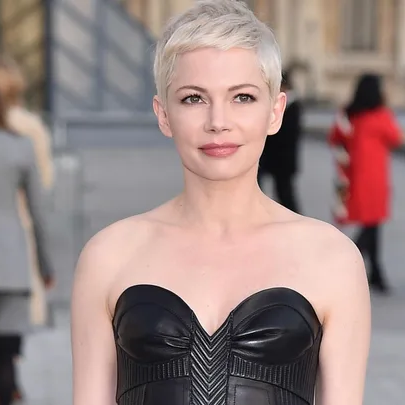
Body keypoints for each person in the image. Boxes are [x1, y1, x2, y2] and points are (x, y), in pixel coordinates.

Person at [71, 1, 371, 405]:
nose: (218, 121)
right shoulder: (109, 256)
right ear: (163, 115)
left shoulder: (332, 259)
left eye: (242, 97)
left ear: (275, 112)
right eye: (193, 98)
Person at [0, 51, 55, 403]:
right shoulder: (21, 144)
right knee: (5, 356)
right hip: (8, 261)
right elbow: (39, 208)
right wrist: (46, 266)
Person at [328, 73, 403, 294]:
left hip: (352, 176)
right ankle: (346, 268)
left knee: (372, 225)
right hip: (375, 178)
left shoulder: (348, 114)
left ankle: (376, 274)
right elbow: (396, 138)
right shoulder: (380, 115)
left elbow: (334, 138)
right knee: (371, 225)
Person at [258, 69, 303, 213]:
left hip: (283, 158)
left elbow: (289, 133)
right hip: (273, 156)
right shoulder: (284, 103)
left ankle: (295, 219)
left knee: (285, 193)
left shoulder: (293, 105)